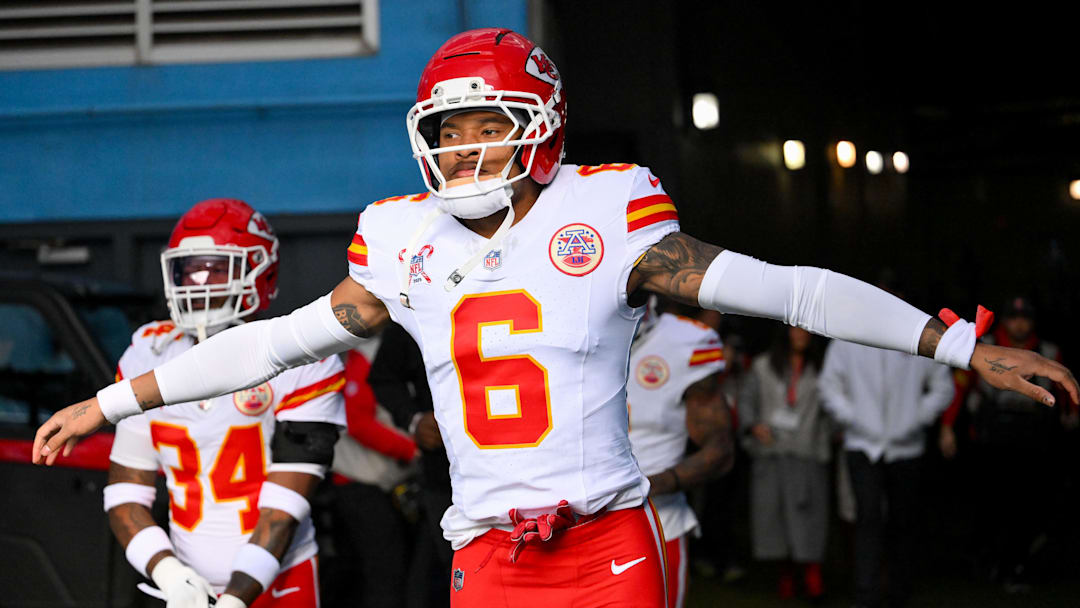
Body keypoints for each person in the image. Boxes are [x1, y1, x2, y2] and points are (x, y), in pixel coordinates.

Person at [34, 28, 1077, 608]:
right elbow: (279, 338)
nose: (461, 152)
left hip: (607, 538)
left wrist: (960, 343)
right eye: (447, 130)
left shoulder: (610, 210)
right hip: (483, 548)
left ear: (540, 130)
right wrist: (111, 397)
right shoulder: (401, 235)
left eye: (486, 128)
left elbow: (785, 287)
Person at [103, 199, 345, 608]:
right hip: (186, 583)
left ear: (259, 271)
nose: (199, 283)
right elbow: (126, 491)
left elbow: (284, 508)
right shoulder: (148, 353)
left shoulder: (303, 362)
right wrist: (168, 572)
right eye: (188, 269)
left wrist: (234, 599)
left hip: (280, 580)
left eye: (216, 268)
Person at [818, 336, 955, 607]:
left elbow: (943, 386)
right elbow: (828, 386)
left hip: (907, 448)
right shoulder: (847, 338)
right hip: (863, 446)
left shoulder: (918, 338)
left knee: (903, 521)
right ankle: (866, 593)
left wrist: (916, 418)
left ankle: (899, 591)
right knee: (867, 519)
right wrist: (852, 417)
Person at [626, 301, 733, 608]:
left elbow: (720, 448)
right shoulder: (561, 331)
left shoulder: (687, 342)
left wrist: (656, 483)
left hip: (657, 524)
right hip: (571, 525)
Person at [739, 326, 831, 601]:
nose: (801, 335)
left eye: (806, 331)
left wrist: (829, 436)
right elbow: (746, 401)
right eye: (795, 330)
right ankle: (786, 576)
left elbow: (832, 408)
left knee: (809, 516)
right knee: (774, 517)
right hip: (772, 451)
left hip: (807, 451)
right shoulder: (763, 365)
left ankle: (813, 576)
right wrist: (753, 426)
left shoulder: (822, 368)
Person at [367, 322, 453, 608]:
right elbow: (382, 377)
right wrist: (414, 420)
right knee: (456, 572)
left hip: (526, 468)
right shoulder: (418, 301)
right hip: (446, 474)